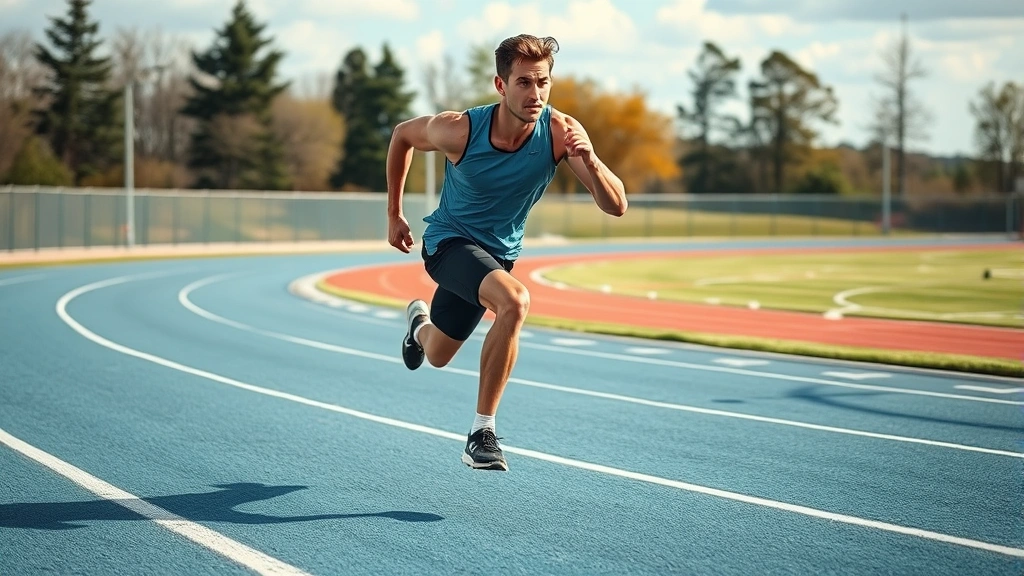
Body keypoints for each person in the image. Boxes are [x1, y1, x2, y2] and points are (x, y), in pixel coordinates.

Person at [384, 34, 627, 471]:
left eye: (543, 82)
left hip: (495, 257)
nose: (535, 94)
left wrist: (591, 161)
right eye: (524, 83)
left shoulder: (560, 133)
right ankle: (482, 433)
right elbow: (402, 135)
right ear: (501, 85)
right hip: (448, 243)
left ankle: (418, 326)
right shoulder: (460, 129)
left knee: (438, 354)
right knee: (514, 300)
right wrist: (394, 214)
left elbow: (617, 206)